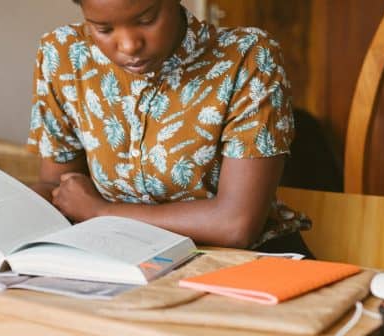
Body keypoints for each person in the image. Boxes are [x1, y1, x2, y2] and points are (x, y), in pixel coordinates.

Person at [27, 0, 313, 256]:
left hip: (246, 263)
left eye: (146, 20)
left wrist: (103, 212)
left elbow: (236, 224)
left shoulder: (247, 58)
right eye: (104, 29)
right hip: (121, 260)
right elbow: (61, 189)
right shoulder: (64, 55)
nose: (128, 45)